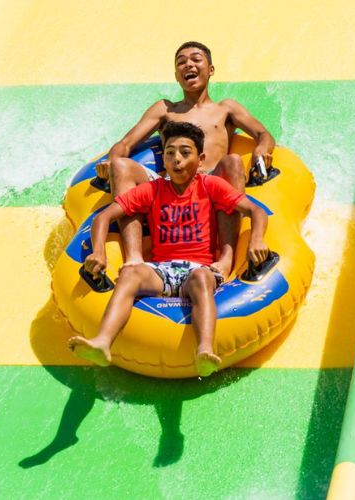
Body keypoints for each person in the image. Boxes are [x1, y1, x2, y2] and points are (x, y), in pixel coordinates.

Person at [69, 122, 270, 377]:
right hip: (161, 270)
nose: (176, 159)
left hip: (199, 267)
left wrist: (256, 240)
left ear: (201, 160)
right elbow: (103, 218)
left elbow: (256, 211)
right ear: (162, 159)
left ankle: (204, 349)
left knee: (201, 279)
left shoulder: (210, 186)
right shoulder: (152, 189)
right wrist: (98, 251)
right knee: (130, 274)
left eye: (185, 153)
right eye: (170, 153)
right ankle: (102, 342)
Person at [96, 41, 276, 278]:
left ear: (211, 69)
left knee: (233, 161)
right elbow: (127, 143)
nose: (188, 64)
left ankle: (227, 257)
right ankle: (134, 258)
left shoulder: (226, 109)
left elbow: (263, 134)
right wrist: (112, 159)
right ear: (176, 76)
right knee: (121, 165)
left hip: (210, 183)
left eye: (196, 59)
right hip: (171, 182)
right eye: (181, 62)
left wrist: (260, 150)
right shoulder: (165, 109)